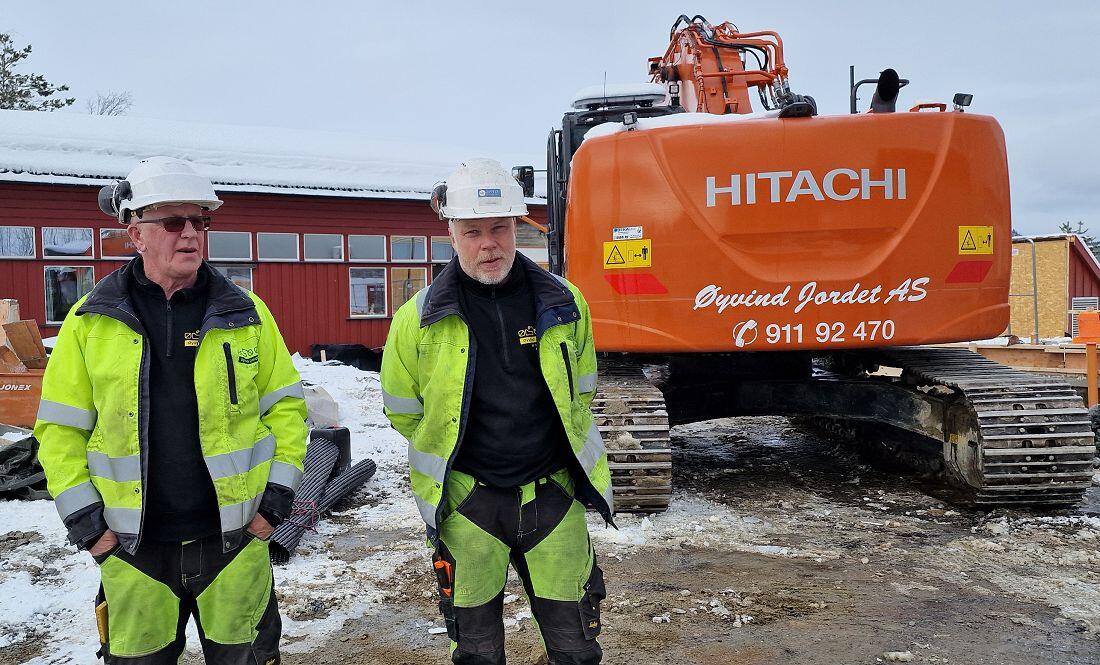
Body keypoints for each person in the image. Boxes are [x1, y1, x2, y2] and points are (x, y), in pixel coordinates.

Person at [34, 156, 308, 664]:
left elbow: (288, 412)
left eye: (200, 221)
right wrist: (92, 531)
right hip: (134, 554)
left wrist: (273, 507)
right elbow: (58, 433)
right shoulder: (90, 322)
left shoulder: (246, 315)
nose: (191, 234)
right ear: (135, 233)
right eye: (173, 222)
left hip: (234, 545)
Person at [381, 158, 613, 664]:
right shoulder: (416, 319)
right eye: (473, 232)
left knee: (575, 648)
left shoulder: (565, 303)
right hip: (469, 503)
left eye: (499, 228)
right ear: (452, 234)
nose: (488, 244)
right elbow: (404, 409)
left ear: (515, 226)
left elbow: (583, 391)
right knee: (477, 651)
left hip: (552, 497)